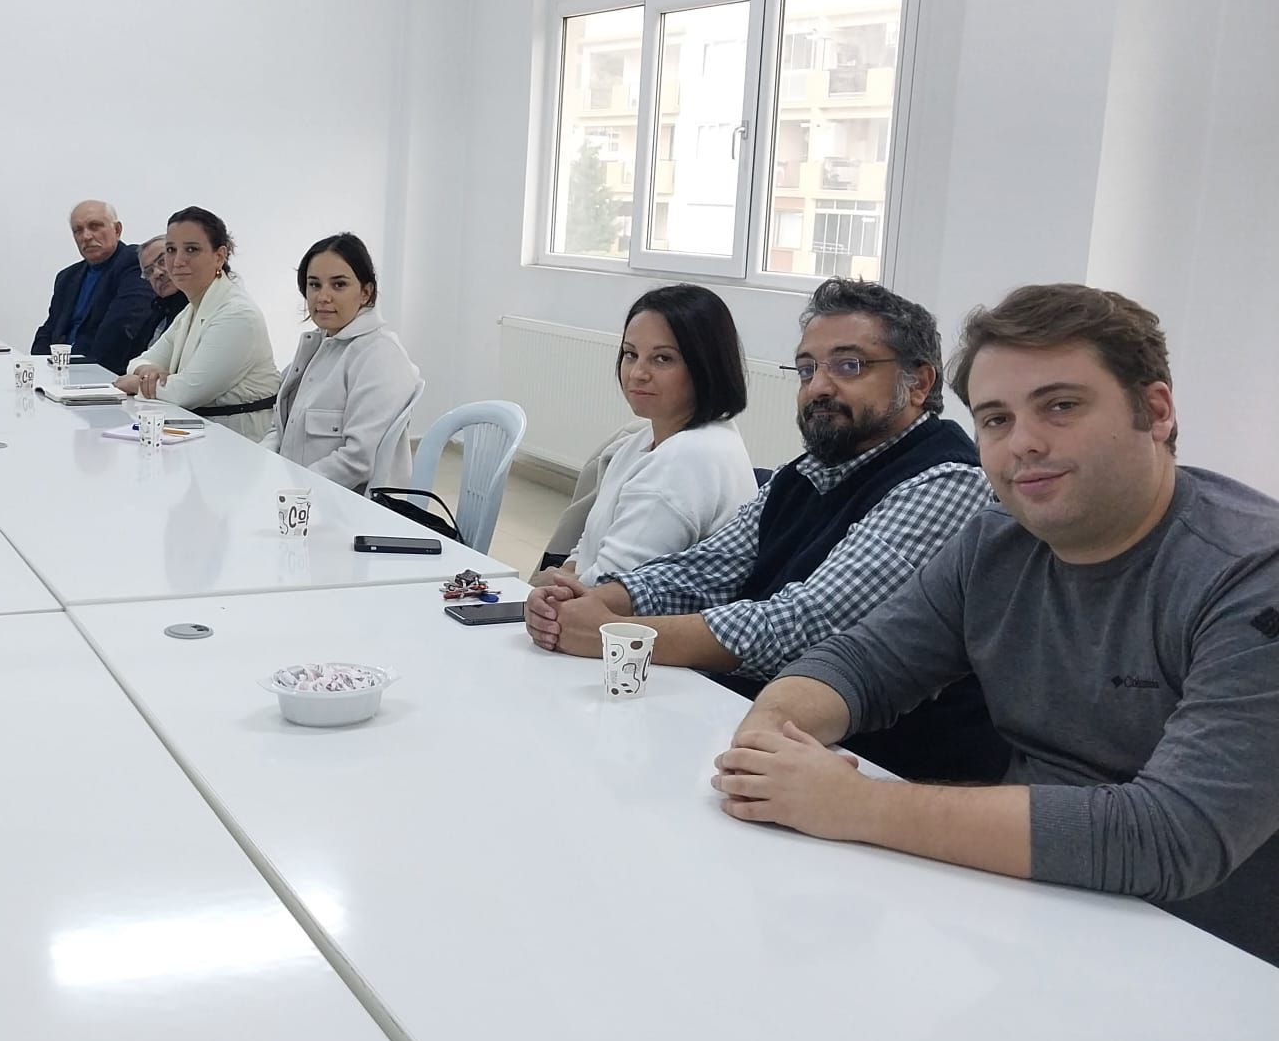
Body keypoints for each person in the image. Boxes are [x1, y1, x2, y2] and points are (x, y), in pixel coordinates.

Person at [712, 285, 1279, 964]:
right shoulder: (996, 540)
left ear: (1155, 411)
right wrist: (773, 734)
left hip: (1204, 956)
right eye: (996, 419)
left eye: (1061, 406)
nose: (1023, 445)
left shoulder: (1251, 575)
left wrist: (854, 804)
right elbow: (863, 662)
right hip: (1022, 913)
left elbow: (1173, 835)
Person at [526, 278, 1005, 783]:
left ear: (920, 383)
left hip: (884, 770)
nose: (819, 387)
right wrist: (596, 601)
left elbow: (803, 625)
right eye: (807, 369)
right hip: (762, 731)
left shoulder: (947, 481)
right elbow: (704, 570)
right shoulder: (810, 471)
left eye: (849, 366)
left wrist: (615, 634)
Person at [544, 285, 759, 585]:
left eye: (662, 359)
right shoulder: (642, 442)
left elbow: (611, 587)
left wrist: (549, 589)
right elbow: (590, 545)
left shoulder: (686, 459)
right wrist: (561, 576)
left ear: (706, 366)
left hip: (619, 614)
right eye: (631, 354)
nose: (637, 373)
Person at [261, 233, 420, 491]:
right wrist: (261, 466)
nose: (323, 297)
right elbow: (279, 428)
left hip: (341, 504)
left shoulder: (379, 356)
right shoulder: (317, 345)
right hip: (297, 496)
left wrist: (289, 489)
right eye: (314, 285)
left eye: (339, 285)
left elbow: (358, 461)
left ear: (366, 292)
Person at [114, 207, 281, 443]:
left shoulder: (237, 314)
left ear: (219, 256)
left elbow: (187, 391)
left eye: (191, 249)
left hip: (238, 445)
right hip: (197, 437)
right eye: (171, 250)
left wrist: (137, 384)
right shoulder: (192, 309)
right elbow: (138, 362)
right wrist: (146, 373)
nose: (177, 261)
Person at [30, 200, 151, 370]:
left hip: (102, 371)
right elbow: (48, 330)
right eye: (78, 230)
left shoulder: (135, 263)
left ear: (117, 230)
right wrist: (39, 366)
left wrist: (77, 369)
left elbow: (119, 329)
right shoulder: (67, 277)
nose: (86, 236)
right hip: (59, 370)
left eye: (95, 226)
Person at [132, 234, 186, 351]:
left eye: (162, 261)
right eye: (149, 271)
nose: (157, 273)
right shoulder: (154, 315)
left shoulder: (201, 308)